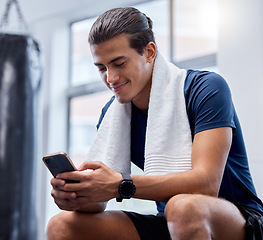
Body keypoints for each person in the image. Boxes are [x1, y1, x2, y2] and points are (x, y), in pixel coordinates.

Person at [46, 7, 263, 240]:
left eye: (119, 63)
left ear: (149, 52)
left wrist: (121, 185)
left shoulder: (206, 88)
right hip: (173, 221)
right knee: (61, 225)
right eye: (102, 68)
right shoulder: (113, 114)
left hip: (238, 221)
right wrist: (77, 194)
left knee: (183, 207)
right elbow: (100, 201)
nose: (110, 78)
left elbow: (206, 184)